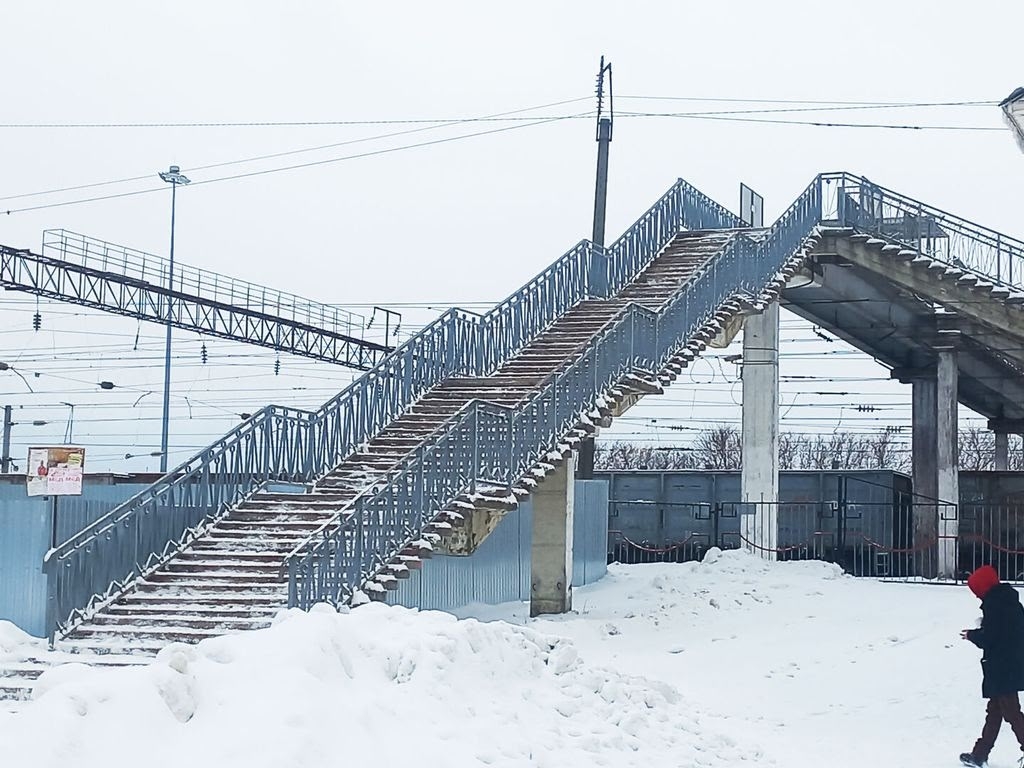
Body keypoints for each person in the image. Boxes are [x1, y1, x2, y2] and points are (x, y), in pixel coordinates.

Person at [960, 565, 1024, 767]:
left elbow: (991, 637)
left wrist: (973, 635)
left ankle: (980, 755)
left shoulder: (995, 606)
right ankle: (980, 754)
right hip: (1010, 663)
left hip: (1002, 667)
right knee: (995, 711)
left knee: (1012, 713)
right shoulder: (1009, 602)